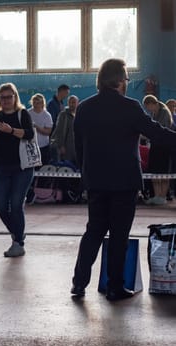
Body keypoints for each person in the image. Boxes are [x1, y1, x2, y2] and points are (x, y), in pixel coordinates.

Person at [71, 58, 176, 301]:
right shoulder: (130, 107)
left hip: (95, 182)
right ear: (120, 80)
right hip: (124, 182)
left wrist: (87, 174)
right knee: (119, 235)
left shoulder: (84, 108)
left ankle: (79, 283)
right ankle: (114, 287)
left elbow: (79, 149)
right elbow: (157, 134)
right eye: (127, 78)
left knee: (93, 232)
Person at [0, 83, 35, 258]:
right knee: (1, 207)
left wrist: (10, 130)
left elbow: (29, 134)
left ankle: (17, 242)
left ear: (15, 97)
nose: (5, 100)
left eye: (9, 97)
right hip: (2, 167)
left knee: (16, 205)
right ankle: (18, 233)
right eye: (2, 97)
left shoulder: (23, 114)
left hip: (22, 167)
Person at [142, 95, 173, 205]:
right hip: (155, 146)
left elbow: (162, 130)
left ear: (151, 103)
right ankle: (156, 195)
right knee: (154, 171)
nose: (147, 109)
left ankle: (162, 196)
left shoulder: (164, 112)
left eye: (147, 107)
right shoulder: (153, 114)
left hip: (164, 147)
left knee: (163, 172)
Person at [51, 95, 79, 166]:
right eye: (70, 102)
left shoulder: (79, 114)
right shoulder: (63, 115)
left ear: (77, 103)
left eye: (73, 102)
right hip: (67, 147)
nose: (72, 104)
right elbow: (59, 131)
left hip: (77, 147)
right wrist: (61, 146)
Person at [27, 94, 53, 165]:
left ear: (42, 103)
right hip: (30, 146)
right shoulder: (28, 113)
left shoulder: (47, 115)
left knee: (44, 167)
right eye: (34, 102)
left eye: (38, 103)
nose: (36, 104)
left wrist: (36, 127)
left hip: (43, 146)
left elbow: (48, 132)